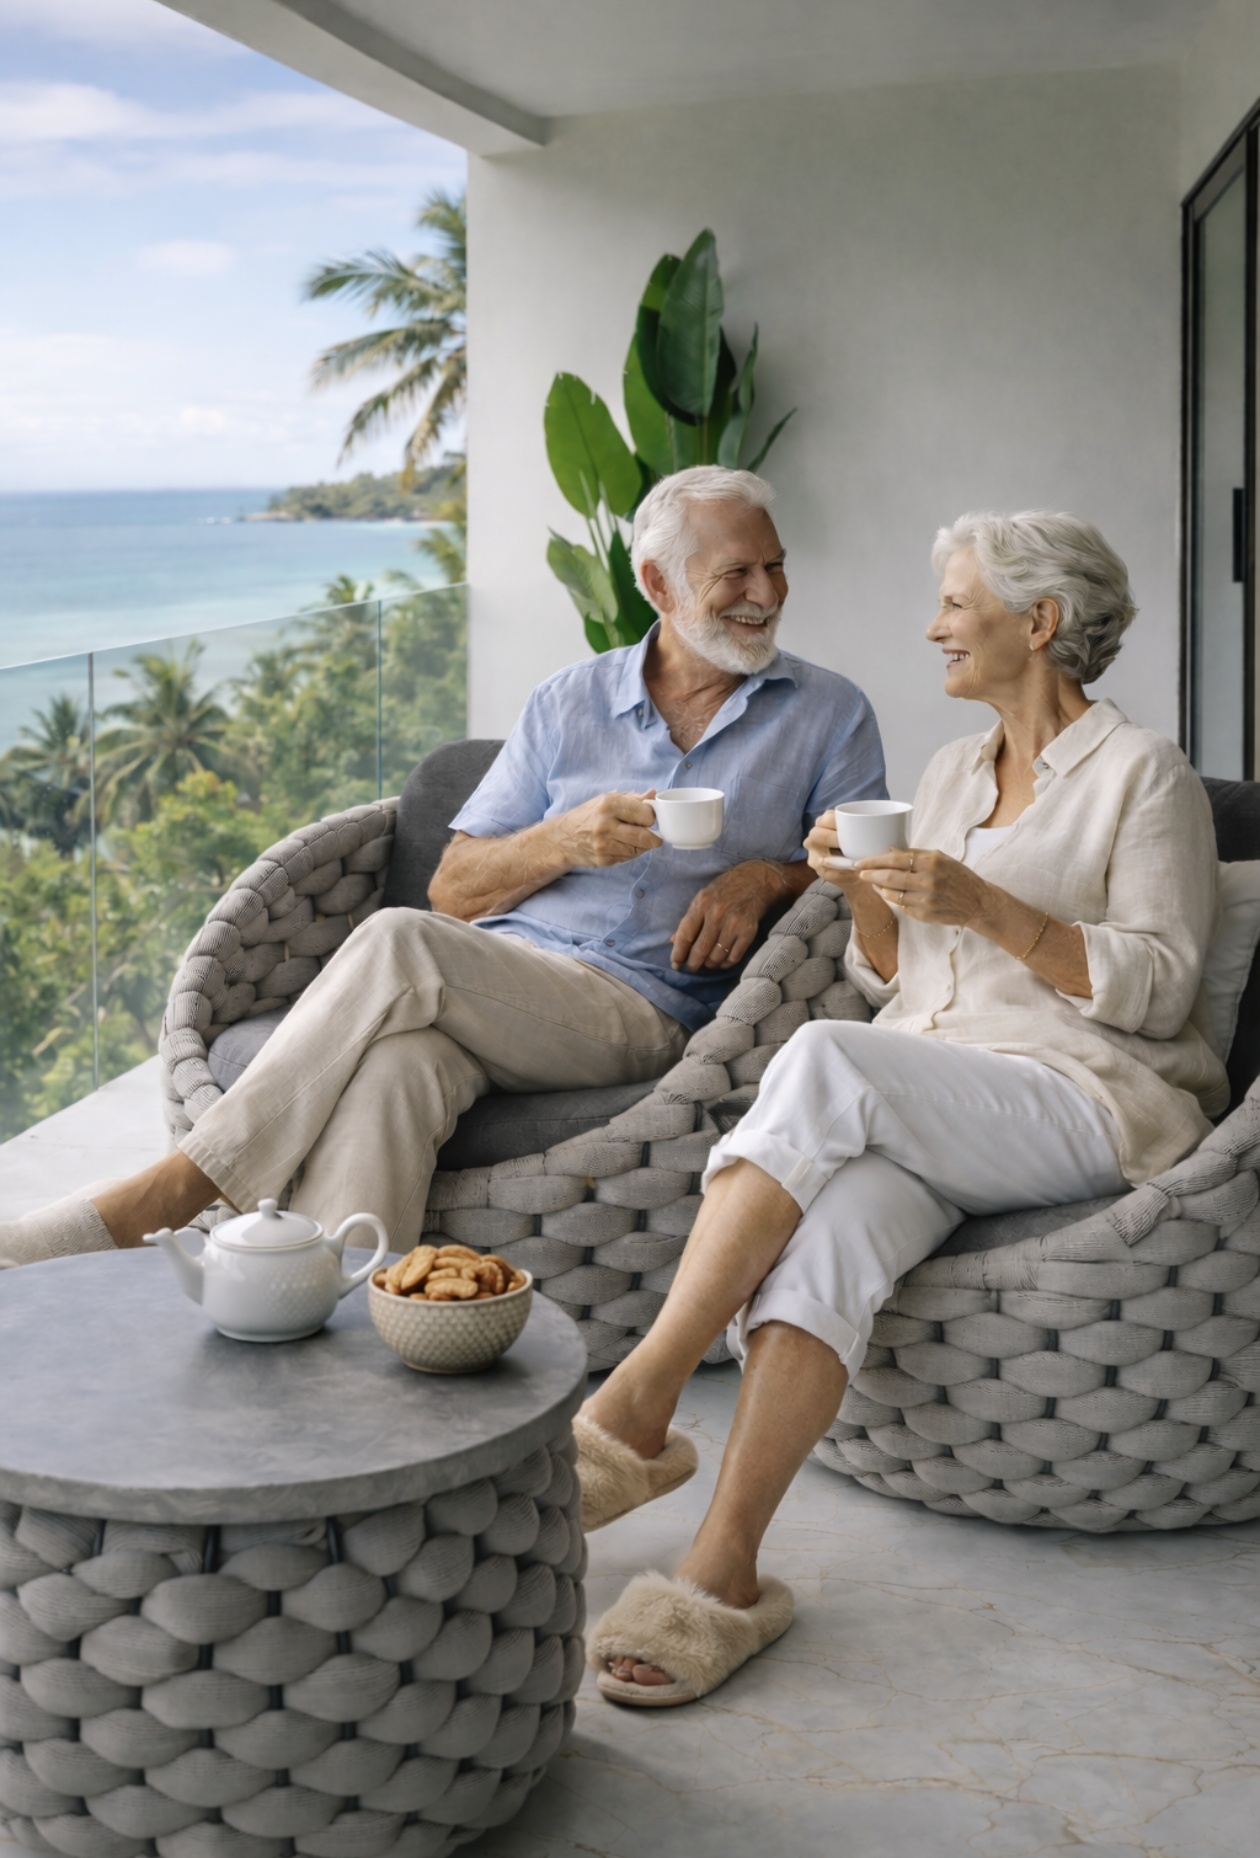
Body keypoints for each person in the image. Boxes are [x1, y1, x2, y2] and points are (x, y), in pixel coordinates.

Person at [578, 509, 1227, 1709]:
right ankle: (724, 1570)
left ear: (1040, 621)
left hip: (1086, 1098)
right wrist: (862, 894)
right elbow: (897, 981)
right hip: (938, 1092)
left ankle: (640, 1396)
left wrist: (986, 905)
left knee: (830, 1058)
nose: (934, 627)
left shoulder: (1145, 775)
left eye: (957, 603)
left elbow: (1160, 985)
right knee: (827, 1240)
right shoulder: (949, 773)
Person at [0, 466, 885, 1269]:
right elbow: (454, 891)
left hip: (645, 1006)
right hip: (496, 978)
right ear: (658, 585)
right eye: (737, 573)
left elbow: (871, 871)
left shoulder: (828, 712)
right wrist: (563, 840)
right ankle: (334, 1328)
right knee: (397, 1073)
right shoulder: (568, 701)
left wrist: (767, 878)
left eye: (775, 568)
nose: (767, 593)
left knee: (399, 941)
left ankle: (180, 1187)